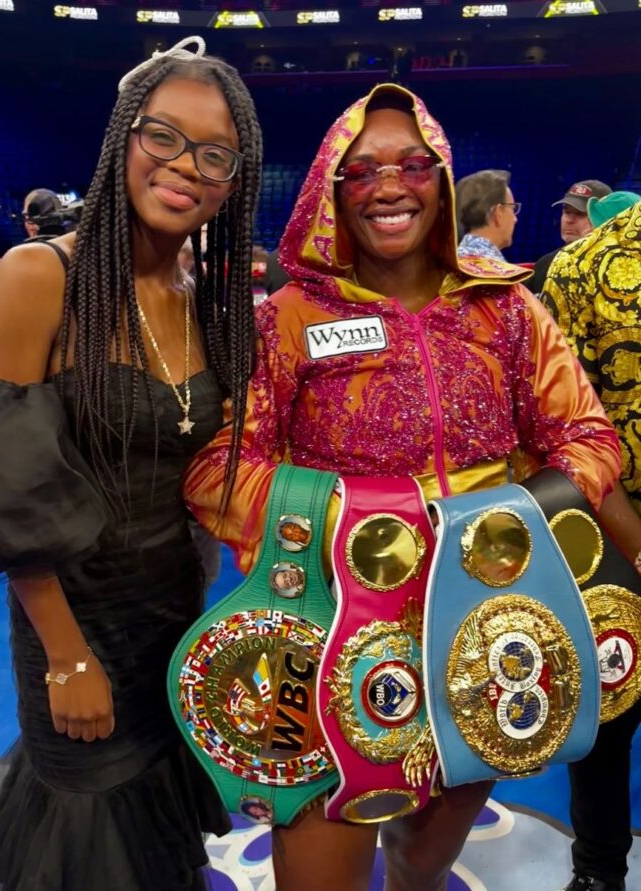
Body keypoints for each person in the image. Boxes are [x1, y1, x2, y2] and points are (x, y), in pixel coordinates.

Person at [184, 83, 621, 891]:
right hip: (324, 631)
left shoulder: (507, 312)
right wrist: (367, 521)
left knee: (422, 862)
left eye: (413, 163)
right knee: (321, 869)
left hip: (477, 629)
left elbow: (586, 435)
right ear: (331, 191)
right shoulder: (286, 317)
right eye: (363, 170)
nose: (390, 185)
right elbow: (219, 471)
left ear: (444, 179)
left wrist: (510, 518)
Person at [0, 36, 262, 891]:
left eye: (214, 154)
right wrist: (65, 655)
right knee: (88, 843)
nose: (184, 166)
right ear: (123, 135)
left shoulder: (210, 295)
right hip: (73, 622)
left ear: (236, 180)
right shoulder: (43, 276)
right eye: (161, 136)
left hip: (175, 620)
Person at [542, 202, 641, 891]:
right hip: (611, 538)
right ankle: (599, 874)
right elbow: (561, 431)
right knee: (605, 716)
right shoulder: (580, 269)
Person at [528, 179, 611, 295]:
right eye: (566, 212)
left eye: (580, 213)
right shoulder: (546, 264)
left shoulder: (617, 268)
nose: (569, 220)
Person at [455, 168, 520, 261]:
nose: (515, 219)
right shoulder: (498, 271)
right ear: (498, 213)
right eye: (513, 209)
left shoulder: (450, 264)